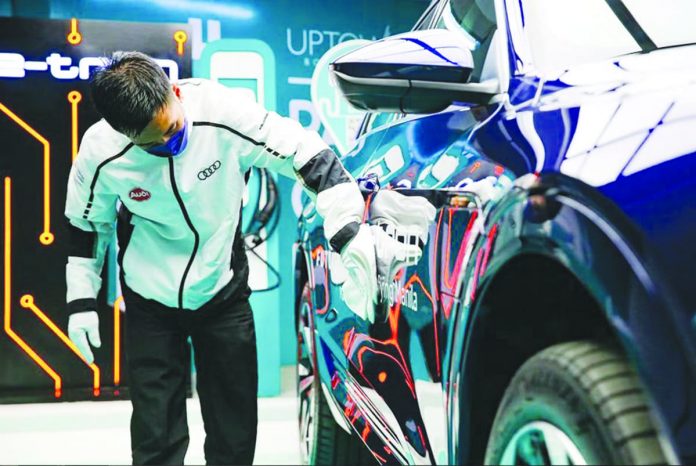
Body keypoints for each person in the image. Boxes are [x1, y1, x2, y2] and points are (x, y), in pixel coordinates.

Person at [64, 51, 377, 465]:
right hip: (148, 297)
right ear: (123, 135)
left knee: (234, 429)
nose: (168, 146)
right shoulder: (101, 152)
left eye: (173, 131)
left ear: (175, 93)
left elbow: (304, 154)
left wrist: (348, 227)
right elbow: (87, 225)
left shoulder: (222, 113)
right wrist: (81, 303)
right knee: (156, 434)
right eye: (153, 145)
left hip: (222, 291)